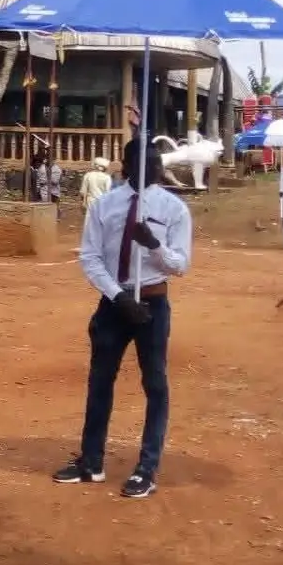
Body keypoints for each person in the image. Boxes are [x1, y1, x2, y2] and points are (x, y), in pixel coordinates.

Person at [54, 138, 192, 500]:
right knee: (100, 380)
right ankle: (91, 462)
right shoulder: (105, 205)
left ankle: (146, 468)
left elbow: (180, 265)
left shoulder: (174, 209)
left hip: (152, 305)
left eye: (157, 162)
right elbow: (90, 257)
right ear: (127, 165)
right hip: (114, 304)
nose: (154, 168)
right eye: (145, 162)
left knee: (155, 385)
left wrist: (154, 245)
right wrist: (118, 297)